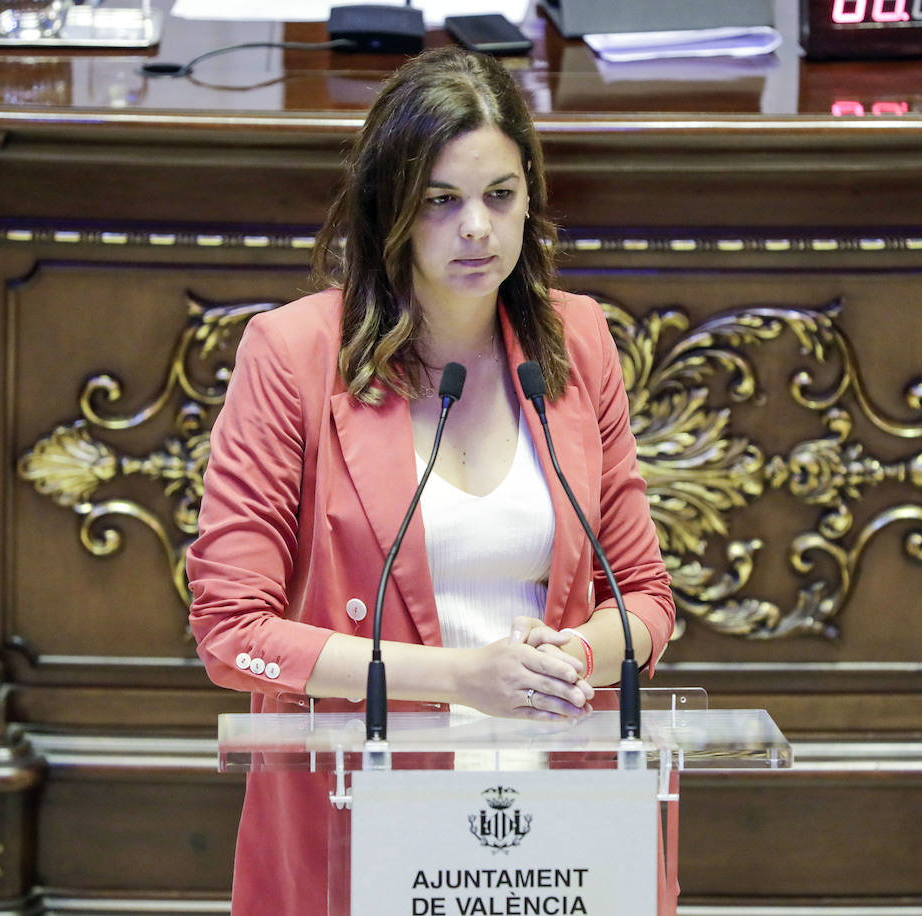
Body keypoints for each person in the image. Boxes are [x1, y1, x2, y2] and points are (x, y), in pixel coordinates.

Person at [187, 47, 676, 915]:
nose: (477, 229)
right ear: (392, 212)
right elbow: (230, 631)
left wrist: (572, 658)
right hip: (365, 817)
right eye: (441, 202)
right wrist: (462, 678)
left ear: (530, 197)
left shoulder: (579, 342)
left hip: (556, 828)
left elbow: (644, 599)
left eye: (499, 195)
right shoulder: (294, 356)